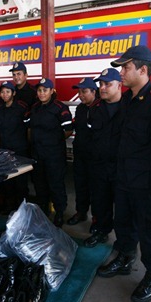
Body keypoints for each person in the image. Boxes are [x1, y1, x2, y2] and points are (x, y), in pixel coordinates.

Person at [97, 45, 151, 302]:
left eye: (126, 67)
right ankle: (125, 257)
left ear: (143, 70)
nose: (121, 72)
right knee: (123, 221)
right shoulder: (127, 101)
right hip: (124, 177)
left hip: (148, 181)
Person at [83, 68, 123, 248]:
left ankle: (124, 246)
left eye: (108, 84)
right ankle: (101, 231)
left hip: (121, 167)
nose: (103, 87)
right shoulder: (95, 109)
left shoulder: (129, 108)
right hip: (99, 165)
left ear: (119, 85)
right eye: (101, 84)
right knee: (100, 201)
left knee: (124, 207)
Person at [28, 78, 73, 227]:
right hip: (38, 153)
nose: (41, 93)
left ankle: (59, 213)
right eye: (39, 90)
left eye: (44, 90)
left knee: (56, 185)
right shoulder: (35, 107)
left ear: (51, 91)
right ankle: (43, 211)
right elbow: (30, 128)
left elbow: (68, 130)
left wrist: (54, 141)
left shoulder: (60, 108)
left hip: (54, 155)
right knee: (40, 184)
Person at [67, 77, 99, 226]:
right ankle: (81, 212)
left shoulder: (101, 107)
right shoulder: (80, 108)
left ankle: (97, 219)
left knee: (96, 189)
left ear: (94, 91)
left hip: (95, 157)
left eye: (84, 91)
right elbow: (74, 126)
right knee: (80, 185)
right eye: (79, 92)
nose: (81, 95)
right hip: (80, 154)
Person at [0, 80, 30, 212]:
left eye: (7, 92)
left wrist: (28, 144)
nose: (4, 94)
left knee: (21, 181)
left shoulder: (22, 107)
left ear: (13, 93)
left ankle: (22, 209)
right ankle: (9, 208)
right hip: (5, 150)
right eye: (2, 92)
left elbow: (28, 128)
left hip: (20, 149)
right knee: (8, 180)